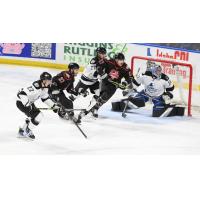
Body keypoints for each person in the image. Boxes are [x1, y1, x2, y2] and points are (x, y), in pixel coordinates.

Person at [77, 52, 133, 121]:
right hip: (105, 81)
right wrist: (103, 74)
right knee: (99, 96)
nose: (121, 61)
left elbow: (129, 78)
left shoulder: (125, 67)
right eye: (119, 60)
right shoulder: (109, 62)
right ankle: (90, 108)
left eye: (122, 60)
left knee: (104, 98)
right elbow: (99, 66)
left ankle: (95, 109)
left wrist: (124, 84)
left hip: (114, 85)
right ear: (115, 59)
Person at [16, 72, 60, 139]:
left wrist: (53, 106)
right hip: (21, 103)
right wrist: (27, 104)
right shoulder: (35, 87)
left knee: (33, 117)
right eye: (48, 80)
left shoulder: (45, 88)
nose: (50, 82)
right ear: (44, 81)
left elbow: (45, 98)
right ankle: (27, 131)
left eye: (50, 80)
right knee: (39, 116)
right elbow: (21, 94)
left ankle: (22, 131)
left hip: (29, 103)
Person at [74, 47, 108, 118]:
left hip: (94, 81)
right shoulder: (94, 61)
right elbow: (94, 73)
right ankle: (64, 106)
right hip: (85, 80)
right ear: (98, 53)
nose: (103, 54)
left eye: (104, 53)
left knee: (99, 94)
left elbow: (104, 70)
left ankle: (92, 108)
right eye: (102, 53)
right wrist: (102, 75)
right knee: (75, 95)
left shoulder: (104, 61)